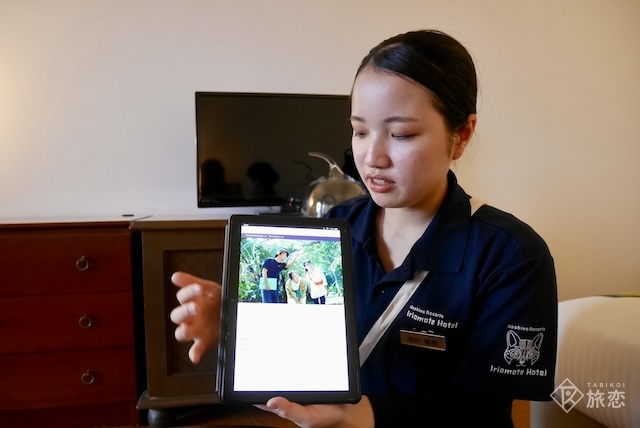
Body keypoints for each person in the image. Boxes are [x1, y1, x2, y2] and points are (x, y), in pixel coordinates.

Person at [170, 29, 557, 427]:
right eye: (359, 131)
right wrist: (238, 331)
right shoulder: (335, 226)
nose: (372, 157)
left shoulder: (510, 255)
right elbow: (307, 351)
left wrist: (360, 415)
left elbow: (482, 410)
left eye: (401, 134)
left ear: (462, 135)